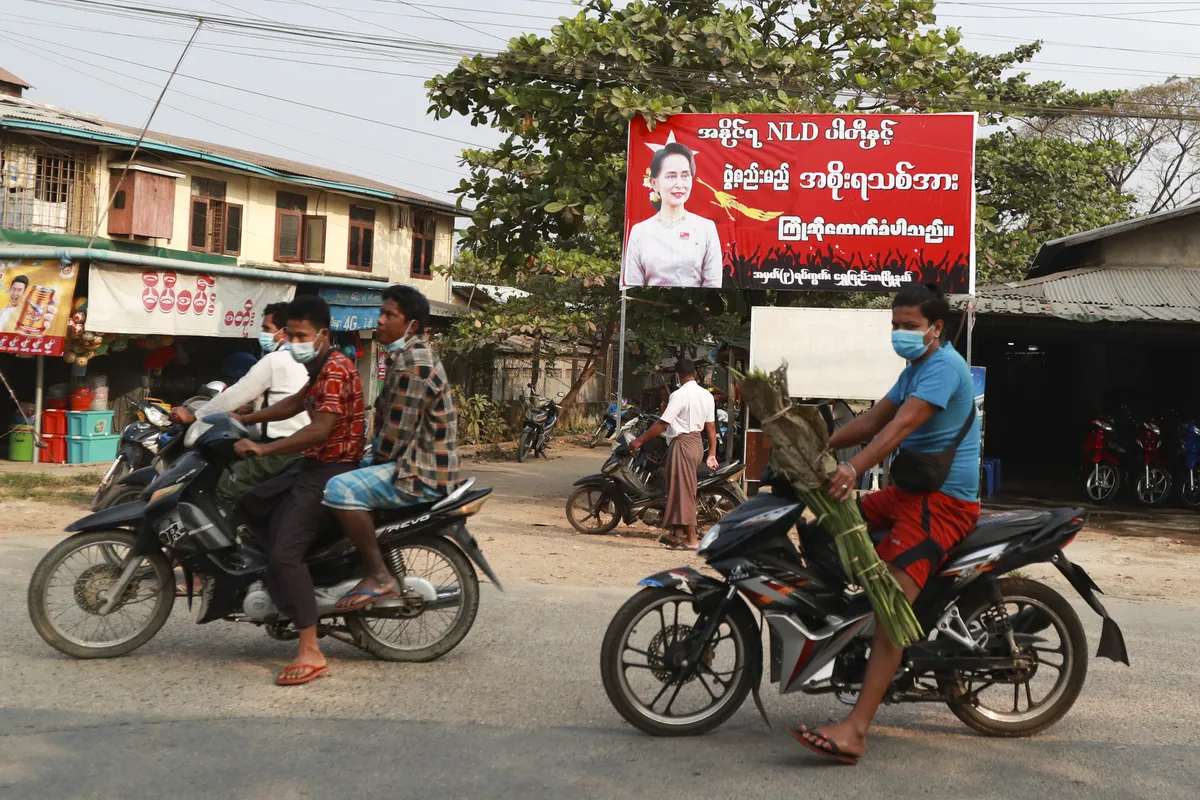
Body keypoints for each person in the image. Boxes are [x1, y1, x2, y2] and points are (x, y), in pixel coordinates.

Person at [790, 282, 981, 765]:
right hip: (907, 495)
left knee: (891, 612)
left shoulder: (944, 368)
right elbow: (874, 418)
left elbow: (900, 429)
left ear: (936, 328)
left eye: (909, 327)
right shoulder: (916, 366)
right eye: (895, 326)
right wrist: (815, 449)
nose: (900, 334)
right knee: (818, 526)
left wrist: (852, 469)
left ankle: (855, 730)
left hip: (941, 504)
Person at [230, 295, 366, 686]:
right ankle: (288, 590)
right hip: (313, 466)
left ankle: (310, 649)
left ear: (323, 334)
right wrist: (245, 417)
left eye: (301, 335)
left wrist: (264, 447)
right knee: (252, 503)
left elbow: (320, 428)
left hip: (330, 473)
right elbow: (294, 403)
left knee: (284, 556)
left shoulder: (337, 369)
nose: (292, 342)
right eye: (290, 334)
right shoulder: (322, 365)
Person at [322, 285, 459, 611]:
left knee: (339, 489)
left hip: (420, 471)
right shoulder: (403, 357)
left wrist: (364, 459)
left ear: (411, 325)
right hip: (410, 461)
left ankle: (380, 576)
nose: (380, 320)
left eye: (389, 315)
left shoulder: (414, 365)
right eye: (381, 313)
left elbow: (393, 440)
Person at [170, 302, 310, 507]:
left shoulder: (276, 359)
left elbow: (237, 393)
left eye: (266, 329)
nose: (262, 334)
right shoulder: (306, 358)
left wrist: (194, 416)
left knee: (226, 487)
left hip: (283, 448)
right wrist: (252, 409)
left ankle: (233, 536)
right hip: (301, 445)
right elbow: (286, 396)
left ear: (284, 332)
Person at [629, 358, 719, 550]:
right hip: (696, 444)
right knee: (678, 487)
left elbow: (663, 424)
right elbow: (711, 428)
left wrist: (640, 440)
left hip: (682, 444)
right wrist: (711, 453)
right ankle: (677, 534)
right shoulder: (706, 395)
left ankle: (692, 539)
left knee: (684, 491)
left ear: (678, 375)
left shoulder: (679, 395)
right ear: (694, 373)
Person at [622, 142, 722, 288]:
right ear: (654, 183)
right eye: (671, 176)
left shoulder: (706, 228)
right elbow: (632, 287)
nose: (680, 184)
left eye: (685, 175)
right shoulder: (640, 232)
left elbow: (713, 284)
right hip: (650, 308)